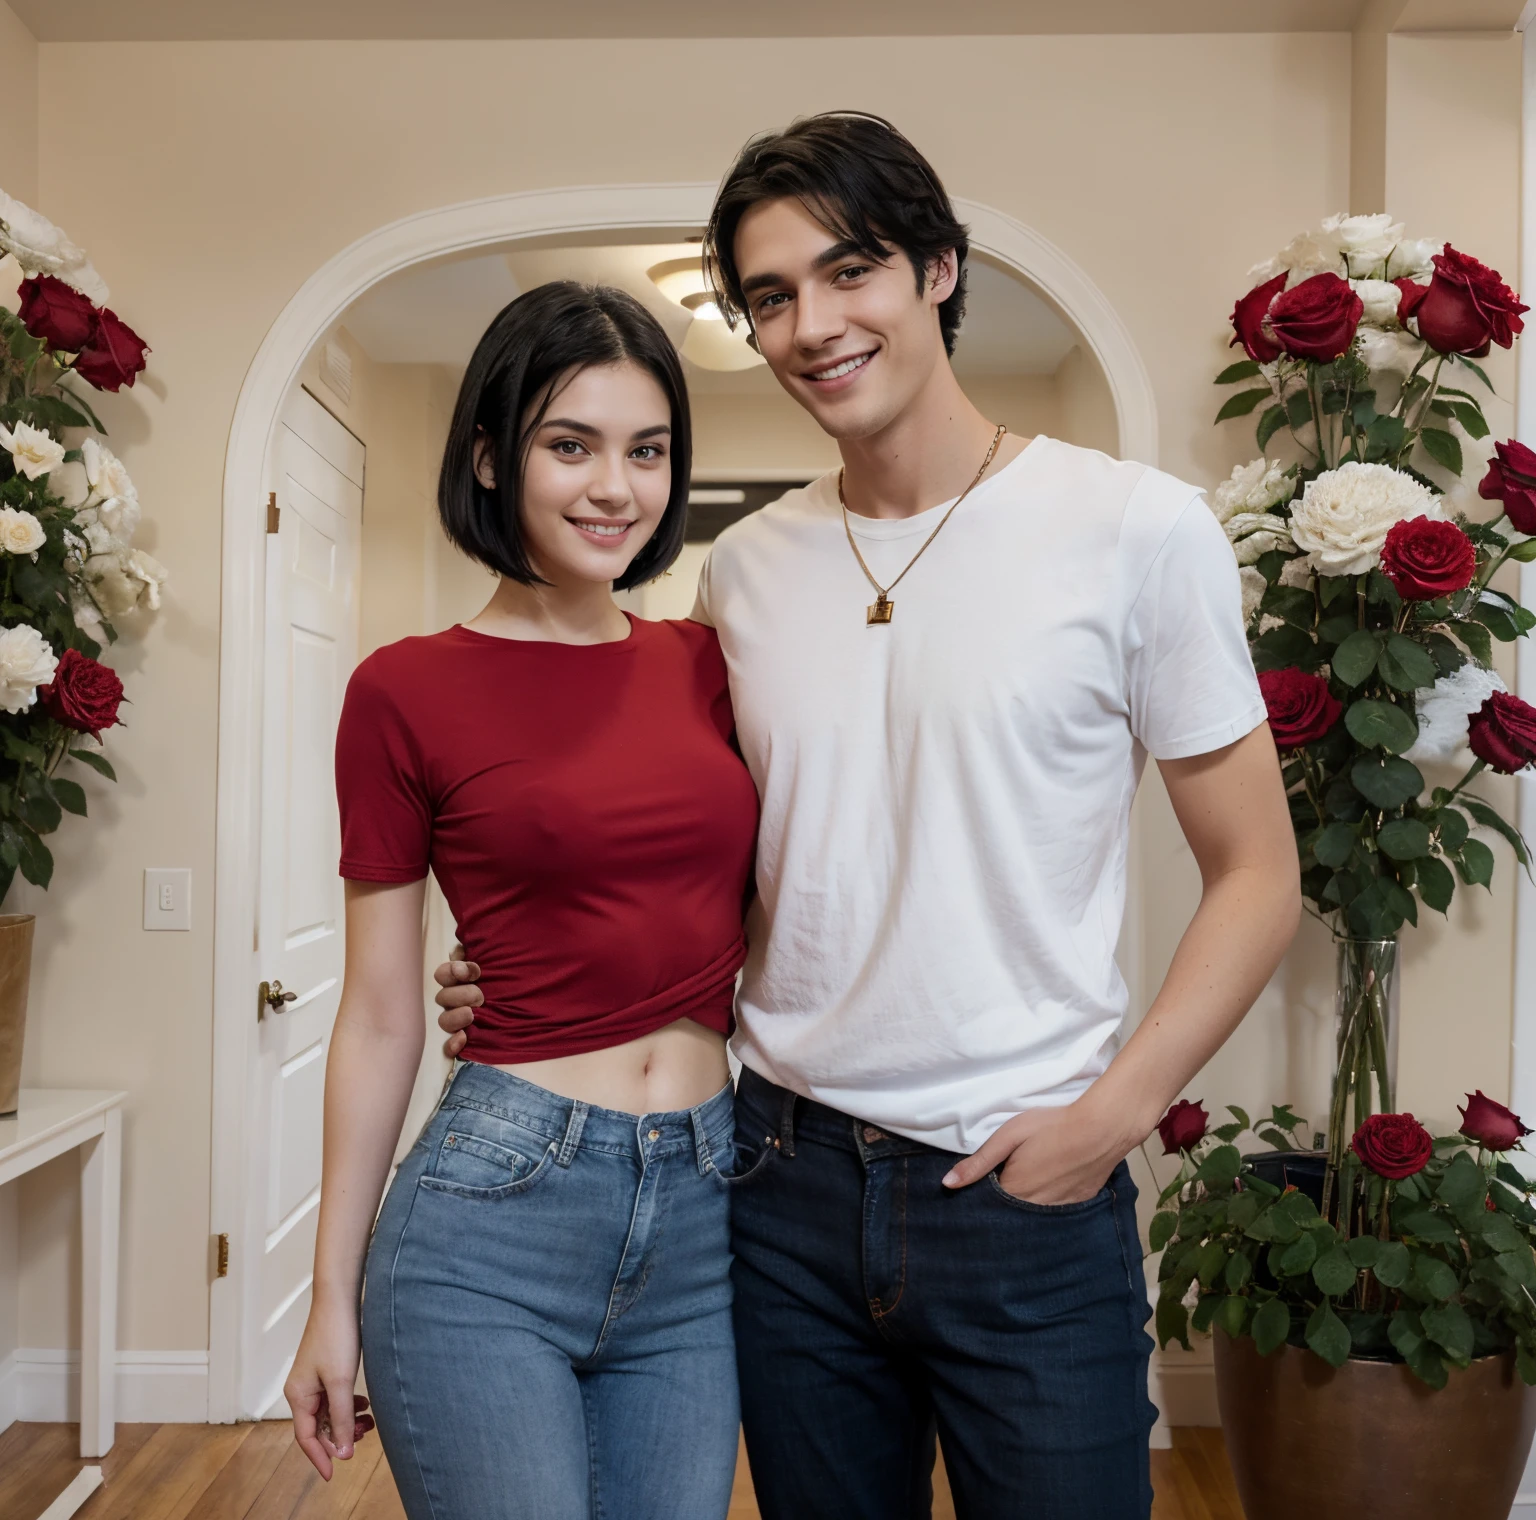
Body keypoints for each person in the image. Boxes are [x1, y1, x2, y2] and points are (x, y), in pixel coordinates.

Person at [436, 113, 1301, 1520]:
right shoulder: (749, 570)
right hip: (779, 1185)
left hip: (1024, 1194)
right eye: (768, 297)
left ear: (940, 270)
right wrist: (541, 967)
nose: (811, 326)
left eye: (851, 274)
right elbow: (750, 875)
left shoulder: (1134, 530)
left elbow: (1260, 869)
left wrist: (1112, 1117)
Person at [285, 281, 760, 1520]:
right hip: (491, 1221)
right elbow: (385, 1012)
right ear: (492, 459)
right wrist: (327, 1296)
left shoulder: (710, 668)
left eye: (647, 451)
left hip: (708, 1213)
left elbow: (777, 906)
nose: (617, 487)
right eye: (572, 445)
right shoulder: (405, 692)